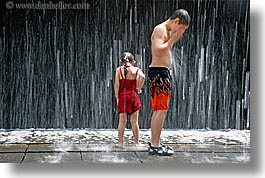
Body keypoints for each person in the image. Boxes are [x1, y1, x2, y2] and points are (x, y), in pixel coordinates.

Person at [148, 9, 190, 156]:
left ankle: (156, 142)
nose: (181, 33)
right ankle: (154, 145)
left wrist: (172, 38)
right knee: (160, 110)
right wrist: (173, 39)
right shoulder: (160, 30)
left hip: (162, 73)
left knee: (161, 110)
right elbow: (158, 50)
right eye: (182, 29)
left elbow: (165, 50)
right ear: (176, 21)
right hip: (158, 73)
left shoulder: (167, 31)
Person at [114, 52, 145, 147]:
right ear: (133, 62)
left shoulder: (119, 70)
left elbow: (117, 86)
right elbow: (143, 77)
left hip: (123, 97)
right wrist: (139, 88)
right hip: (134, 96)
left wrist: (117, 98)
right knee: (134, 121)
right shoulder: (136, 69)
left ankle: (120, 143)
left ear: (121, 61)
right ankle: (136, 143)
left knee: (122, 121)